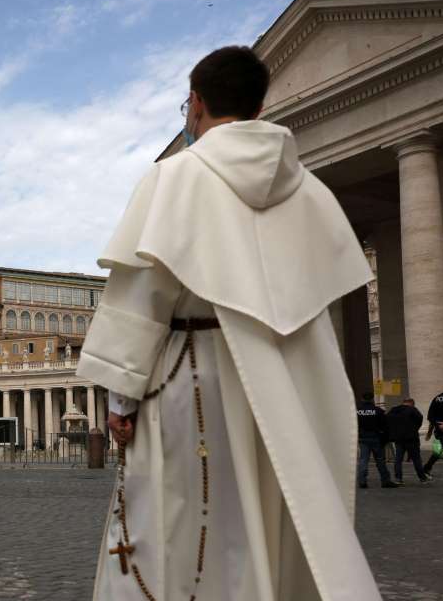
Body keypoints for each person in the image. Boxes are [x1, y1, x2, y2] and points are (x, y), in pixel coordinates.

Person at [78, 46, 380, 600]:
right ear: (260, 104)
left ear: (195, 102)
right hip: (283, 387)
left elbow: (142, 294)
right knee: (263, 514)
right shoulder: (309, 190)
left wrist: (120, 398)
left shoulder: (173, 177)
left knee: (180, 522)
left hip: (193, 378)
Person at [356, 392, 397, 489]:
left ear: (362, 399)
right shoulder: (378, 411)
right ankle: (385, 481)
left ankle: (362, 481)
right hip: (376, 438)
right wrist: (386, 439)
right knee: (380, 461)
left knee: (363, 460)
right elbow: (385, 427)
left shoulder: (357, 411)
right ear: (372, 399)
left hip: (363, 438)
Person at [386, 397, 429, 485]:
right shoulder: (413, 410)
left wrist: (394, 432)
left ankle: (398, 478)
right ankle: (422, 478)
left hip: (399, 439)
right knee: (416, 459)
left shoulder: (394, 410)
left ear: (403, 402)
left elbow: (387, 420)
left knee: (398, 459)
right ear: (412, 403)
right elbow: (419, 420)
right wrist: (413, 429)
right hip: (412, 438)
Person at [423, 391, 443, 476]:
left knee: (439, 451)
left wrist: (438, 424)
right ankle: (426, 468)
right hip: (442, 431)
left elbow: (430, 416)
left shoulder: (437, 398)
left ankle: (426, 467)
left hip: (439, 430)